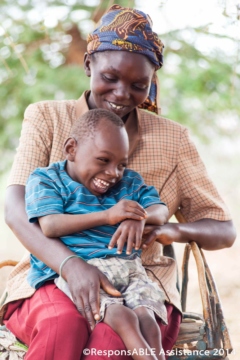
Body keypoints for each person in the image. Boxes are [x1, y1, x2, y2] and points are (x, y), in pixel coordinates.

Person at [1, 4, 236, 360]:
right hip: (51, 273)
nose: (122, 93)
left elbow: (223, 229)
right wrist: (71, 265)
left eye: (138, 85)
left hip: (139, 283)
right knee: (59, 323)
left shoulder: (172, 140)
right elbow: (17, 211)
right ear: (87, 65)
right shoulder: (46, 118)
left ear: (150, 83)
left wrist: (167, 232)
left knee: (112, 342)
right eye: (110, 77)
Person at [25, 108, 169, 360]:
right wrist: (108, 215)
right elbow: (49, 225)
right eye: (103, 160)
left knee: (147, 319)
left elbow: (160, 210)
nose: (114, 173)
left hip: (129, 267)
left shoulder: (130, 183)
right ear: (71, 149)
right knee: (122, 317)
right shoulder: (47, 179)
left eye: (121, 164)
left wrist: (138, 217)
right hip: (86, 271)